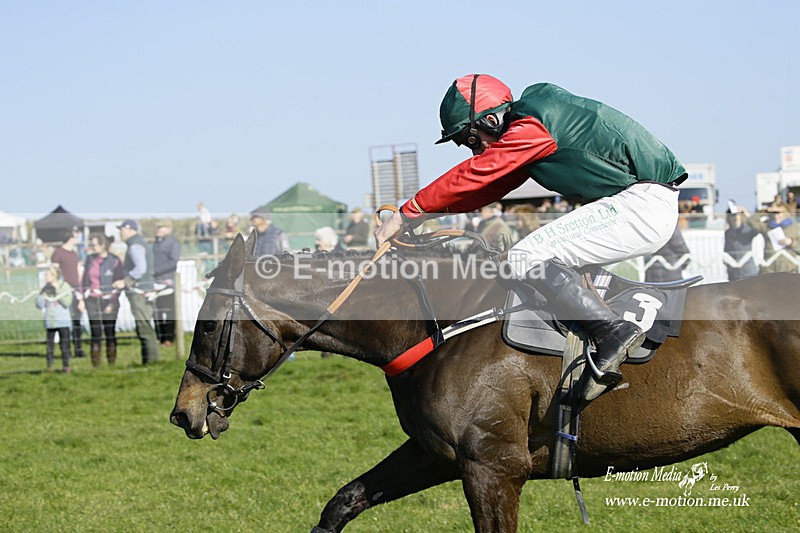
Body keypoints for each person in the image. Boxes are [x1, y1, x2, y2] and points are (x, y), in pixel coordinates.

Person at [375, 74, 686, 400]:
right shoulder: (529, 126)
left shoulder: (533, 124)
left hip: (642, 204)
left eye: (470, 139)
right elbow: (485, 186)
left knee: (525, 256)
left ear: (491, 119)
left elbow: (478, 173)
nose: (472, 149)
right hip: (638, 201)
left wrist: (407, 211)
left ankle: (614, 333)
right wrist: (421, 216)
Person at [112, 220, 160, 364]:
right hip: (144, 290)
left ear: (130, 230)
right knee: (145, 326)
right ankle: (150, 361)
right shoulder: (138, 244)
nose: (120, 232)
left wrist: (125, 281)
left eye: (121, 229)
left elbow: (140, 269)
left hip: (139, 291)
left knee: (144, 327)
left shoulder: (135, 246)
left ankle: (151, 361)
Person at [80, 233, 124, 367]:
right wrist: (83, 297)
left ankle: (111, 363)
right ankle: (96, 365)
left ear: (103, 245)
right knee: (95, 332)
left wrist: (112, 301)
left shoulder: (115, 261)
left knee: (110, 332)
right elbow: (84, 281)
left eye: (94, 245)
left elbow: (119, 282)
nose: (92, 247)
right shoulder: (89, 260)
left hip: (109, 301)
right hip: (92, 300)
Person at [49, 229, 86, 358]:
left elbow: (77, 270)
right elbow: (54, 271)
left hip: (76, 288)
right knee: (65, 321)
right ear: (70, 238)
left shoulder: (74, 253)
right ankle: (66, 350)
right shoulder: (58, 253)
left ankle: (78, 348)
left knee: (77, 319)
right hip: (64, 290)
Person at [35, 265, 73, 373]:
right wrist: (41, 294)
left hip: (63, 320)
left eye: (47, 275)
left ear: (54, 275)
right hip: (50, 321)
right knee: (50, 345)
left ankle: (66, 366)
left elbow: (67, 302)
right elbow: (39, 305)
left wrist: (57, 290)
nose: (45, 277)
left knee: (64, 344)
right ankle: (49, 366)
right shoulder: (45, 288)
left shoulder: (64, 286)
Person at [747, 205, 800, 274]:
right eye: (773, 213)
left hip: (789, 269)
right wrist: (765, 211)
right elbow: (750, 221)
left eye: (778, 213)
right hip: (770, 269)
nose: (776, 216)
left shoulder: (795, 226)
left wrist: (791, 242)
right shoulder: (766, 226)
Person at [152, 221, 181, 347]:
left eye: (161, 227)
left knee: (169, 312)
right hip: (155, 282)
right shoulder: (156, 243)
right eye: (158, 227)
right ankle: (160, 337)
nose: (158, 229)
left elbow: (173, 262)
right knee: (157, 311)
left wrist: (156, 271)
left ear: (169, 229)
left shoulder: (173, 243)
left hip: (167, 282)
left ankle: (169, 338)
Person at [723, 207, 759, 281]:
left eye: (737, 215)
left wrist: (747, 214)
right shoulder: (728, 233)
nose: (735, 218)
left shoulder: (748, 229)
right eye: (732, 215)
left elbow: (757, 228)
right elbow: (727, 249)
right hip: (733, 273)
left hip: (748, 272)